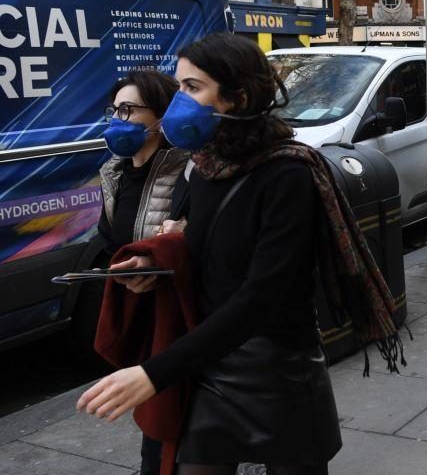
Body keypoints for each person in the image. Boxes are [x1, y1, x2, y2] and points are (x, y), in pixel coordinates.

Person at [77, 34, 402, 475]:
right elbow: (206, 246)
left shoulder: (287, 173)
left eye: (192, 88)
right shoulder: (207, 167)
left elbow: (260, 297)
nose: (178, 103)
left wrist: (155, 372)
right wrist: (159, 262)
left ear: (238, 96)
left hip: (280, 371)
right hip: (214, 363)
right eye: (179, 88)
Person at [97, 70, 190, 475]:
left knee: (171, 432)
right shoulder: (114, 174)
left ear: (161, 116)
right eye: (115, 110)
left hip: (182, 322)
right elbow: (111, 241)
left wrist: (172, 245)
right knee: (155, 432)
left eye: (129, 109)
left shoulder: (189, 170)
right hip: (145, 320)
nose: (118, 119)